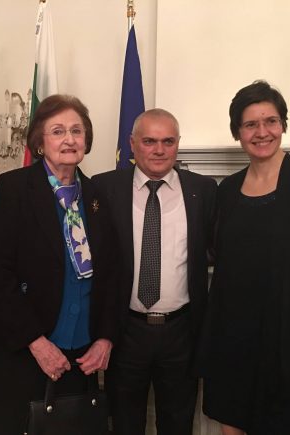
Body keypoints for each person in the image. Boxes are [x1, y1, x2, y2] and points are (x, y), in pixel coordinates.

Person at [198, 80, 290, 435]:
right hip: (233, 343)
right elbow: (215, 257)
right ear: (237, 132)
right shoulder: (227, 190)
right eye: (251, 124)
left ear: (283, 124)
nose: (262, 132)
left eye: (271, 121)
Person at [0, 94, 117, 434]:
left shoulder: (97, 195)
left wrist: (105, 339)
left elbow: (113, 275)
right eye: (58, 131)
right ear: (40, 143)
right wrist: (36, 342)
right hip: (25, 350)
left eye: (76, 131)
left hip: (82, 355)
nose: (69, 139)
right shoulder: (14, 188)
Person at [93, 109, 217, 435]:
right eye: (149, 141)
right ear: (132, 144)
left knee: (178, 423)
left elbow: (215, 249)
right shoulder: (104, 188)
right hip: (125, 330)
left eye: (168, 141)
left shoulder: (203, 190)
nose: (159, 150)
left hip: (181, 332)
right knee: (124, 422)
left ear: (178, 144)